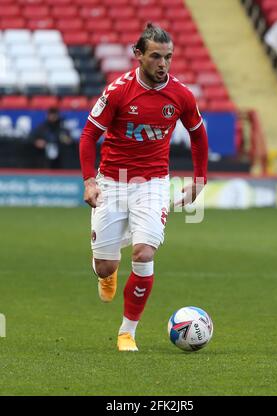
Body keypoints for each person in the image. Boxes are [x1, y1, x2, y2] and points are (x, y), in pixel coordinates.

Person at [79, 23, 209, 351]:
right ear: (138, 55)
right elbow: (88, 136)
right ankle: (107, 272)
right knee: (105, 265)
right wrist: (90, 181)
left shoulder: (180, 95)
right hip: (112, 181)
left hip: (152, 184)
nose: (163, 64)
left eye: (168, 57)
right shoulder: (118, 91)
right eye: (155, 56)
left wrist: (199, 179)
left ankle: (127, 332)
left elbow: (198, 134)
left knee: (144, 252)